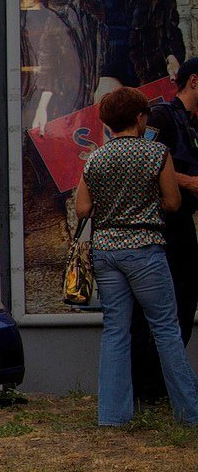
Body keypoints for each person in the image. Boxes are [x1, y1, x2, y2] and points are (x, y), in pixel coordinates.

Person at [73, 87, 198, 425]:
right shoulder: (157, 153)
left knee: (116, 331)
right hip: (145, 250)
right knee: (166, 330)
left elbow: (83, 207)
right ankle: (190, 412)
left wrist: (111, 207)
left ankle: (112, 416)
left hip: (106, 252)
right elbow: (172, 203)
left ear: (107, 122)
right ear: (141, 117)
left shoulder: (96, 157)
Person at [30, 0, 185, 134]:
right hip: (97, 75)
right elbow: (53, 38)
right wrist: (43, 103)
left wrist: (172, 56)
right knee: (115, 137)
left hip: (148, 76)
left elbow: (168, 23)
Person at [131, 58, 198, 402]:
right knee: (158, 309)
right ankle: (148, 388)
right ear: (194, 82)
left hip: (184, 223)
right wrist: (188, 181)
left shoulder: (193, 124)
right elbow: (147, 163)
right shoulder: (162, 117)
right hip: (161, 225)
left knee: (185, 302)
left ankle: (164, 384)